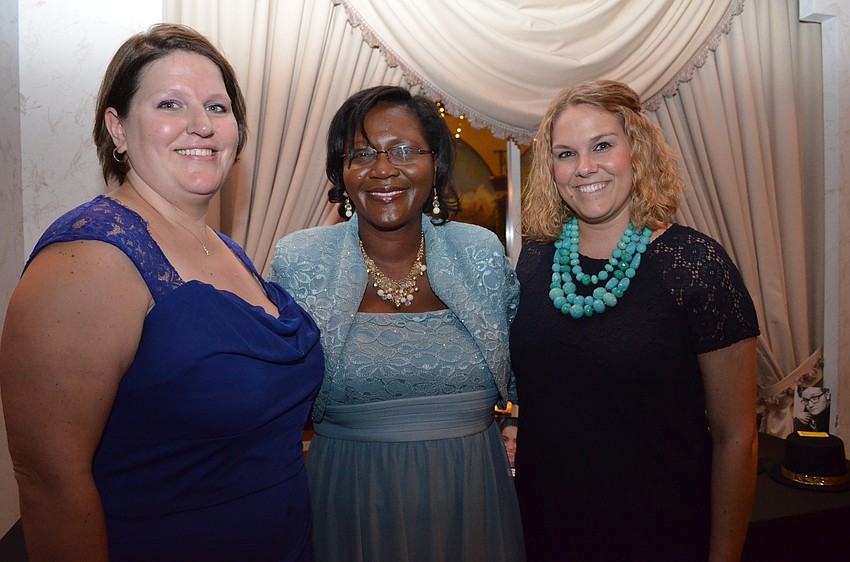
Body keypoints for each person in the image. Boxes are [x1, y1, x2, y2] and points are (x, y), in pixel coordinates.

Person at [0, 24, 323, 562]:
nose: (200, 126)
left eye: (218, 108)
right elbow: (49, 484)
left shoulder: (223, 247)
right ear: (118, 128)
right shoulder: (88, 260)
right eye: (171, 103)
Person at [269, 85, 525, 561]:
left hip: (473, 500)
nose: (383, 169)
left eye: (404, 151)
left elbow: (532, 365)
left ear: (436, 165)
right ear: (341, 173)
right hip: (349, 502)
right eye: (361, 153)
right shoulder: (300, 260)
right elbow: (270, 395)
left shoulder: (482, 253)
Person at [510, 80, 760, 561]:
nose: (585, 168)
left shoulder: (696, 264)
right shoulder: (536, 260)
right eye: (566, 154)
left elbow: (737, 438)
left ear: (637, 151)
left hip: (660, 531)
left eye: (602, 145)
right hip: (545, 527)